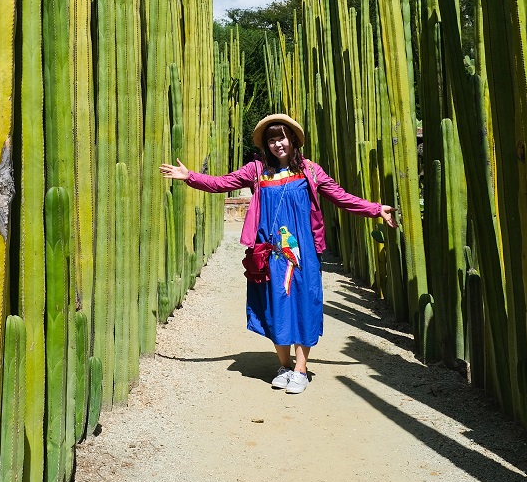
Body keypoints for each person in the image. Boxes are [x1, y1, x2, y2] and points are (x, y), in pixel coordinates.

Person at [160, 112, 396, 394]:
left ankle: (301, 368)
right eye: (271, 140)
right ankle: (284, 366)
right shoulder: (257, 170)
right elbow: (222, 183)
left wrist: (376, 209)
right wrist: (190, 177)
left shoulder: (311, 170)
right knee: (275, 305)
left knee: (305, 303)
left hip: (303, 252)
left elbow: (341, 197)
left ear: (293, 139)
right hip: (270, 252)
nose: (277, 144)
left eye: (281, 137)